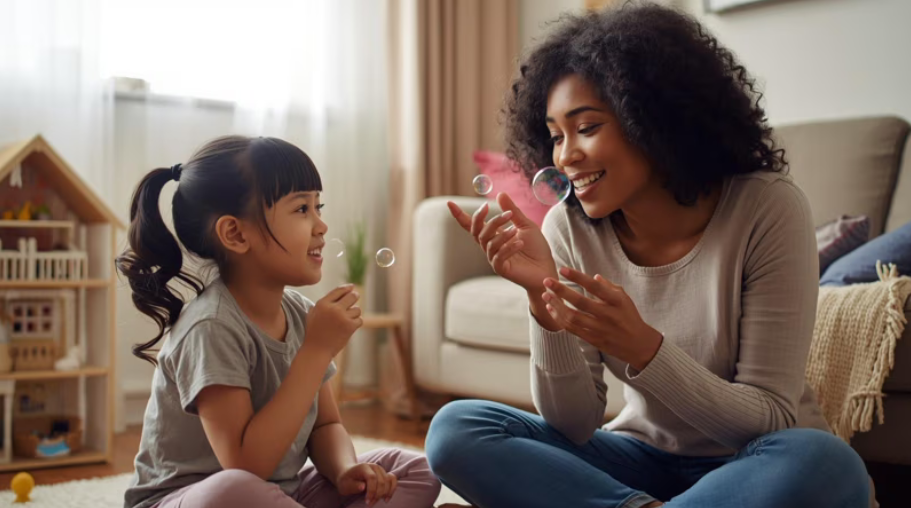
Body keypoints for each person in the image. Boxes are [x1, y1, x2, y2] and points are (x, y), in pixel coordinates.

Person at [426, 3, 871, 507]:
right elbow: (573, 425)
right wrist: (542, 304)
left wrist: (645, 350)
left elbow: (768, 417)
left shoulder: (766, 207)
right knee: (458, 427)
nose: (565, 156)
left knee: (826, 461)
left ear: (653, 118)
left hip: (752, 462)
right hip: (639, 461)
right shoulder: (569, 228)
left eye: (586, 127)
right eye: (555, 136)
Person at [118, 135, 441, 508]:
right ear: (236, 234)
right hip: (197, 498)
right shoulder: (211, 326)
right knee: (234, 489)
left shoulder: (301, 313)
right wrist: (316, 351)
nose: (321, 225)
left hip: (280, 494)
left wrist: (344, 469)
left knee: (415, 469)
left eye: (318, 206)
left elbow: (326, 425)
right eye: (302, 209)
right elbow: (246, 466)